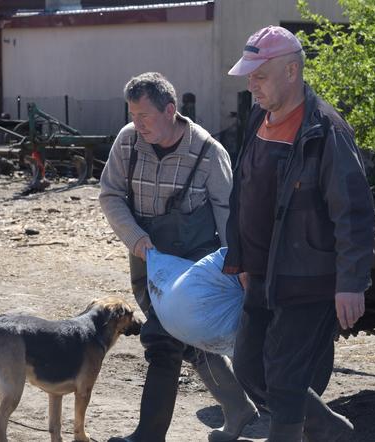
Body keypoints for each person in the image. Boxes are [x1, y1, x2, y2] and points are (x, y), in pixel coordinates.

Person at [224, 26, 375, 441]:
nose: (251, 85)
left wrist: (351, 283)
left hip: (308, 278)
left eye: (259, 76)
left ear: (292, 71)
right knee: (249, 369)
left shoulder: (327, 131)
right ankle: (327, 426)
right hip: (260, 274)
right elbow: (246, 191)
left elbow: (355, 214)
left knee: (286, 380)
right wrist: (238, 257)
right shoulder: (259, 116)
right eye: (249, 76)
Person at [99, 72, 258, 442]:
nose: (137, 125)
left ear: (170, 110)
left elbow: (230, 216)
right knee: (188, 337)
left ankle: (148, 435)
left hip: (194, 265)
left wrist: (237, 271)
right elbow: (109, 195)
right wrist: (137, 239)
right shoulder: (127, 143)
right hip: (147, 256)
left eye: (145, 117)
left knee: (162, 340)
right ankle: (237, 407)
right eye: (132, 116)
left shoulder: (208, 153)